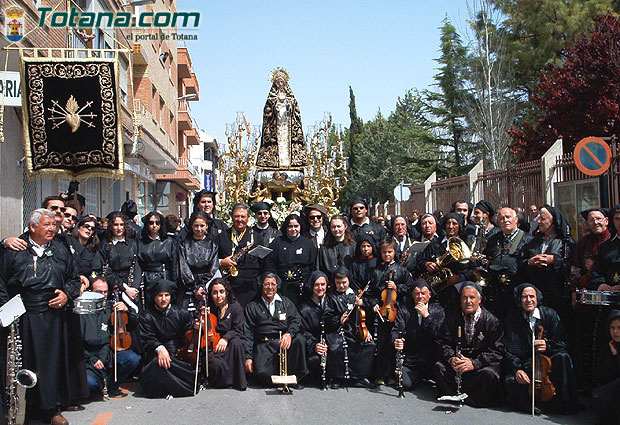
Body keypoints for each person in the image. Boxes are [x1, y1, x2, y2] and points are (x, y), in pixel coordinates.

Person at [0, 208, 81, 425]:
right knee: (21, 363)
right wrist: (5, 311)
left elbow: (74, 280)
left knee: (51, 363)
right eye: (47, 225)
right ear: (33, 226)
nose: (52, 229)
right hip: (22, 314)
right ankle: (16, 413)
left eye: (54, 225)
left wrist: (66, 294)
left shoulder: (61, 250)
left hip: (53, 315)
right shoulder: (14, 248)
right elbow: (1, 283)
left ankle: (51, 409)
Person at [503, 284, 579, 415]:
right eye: (524, 297)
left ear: (537, 298)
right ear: (519, 300)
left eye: (532, 296)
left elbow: (564, 342)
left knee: (563, 357)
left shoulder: (550, 314)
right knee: (509, 381)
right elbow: (507, 349)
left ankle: (564, 403)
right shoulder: (514, 318)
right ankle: (530, 405)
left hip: (547, 362)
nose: (528, 300)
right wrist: (517, 369)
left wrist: (548, 345)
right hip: (526, 363)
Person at [433, 282, 504, 408]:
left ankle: (472, 399)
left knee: (490, 374)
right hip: (458, 364)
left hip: (478, 366)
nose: (468, 301)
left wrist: (474, 363)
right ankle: (454, 395)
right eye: (464, 298)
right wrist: (451, 358)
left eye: (472, 297)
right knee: (439, 367)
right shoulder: (452, 317)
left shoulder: (492, 321)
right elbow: (442, 341)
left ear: (480, 299)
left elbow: (497, 352)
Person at [571, 207, 612, 390]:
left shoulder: (612, 241)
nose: (595, 222)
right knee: (586, 341)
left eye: (598, 219)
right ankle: (587, 383)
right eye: (591, 220)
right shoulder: (583, 243)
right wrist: (575, 289)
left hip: (609, 300)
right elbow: (574, 267)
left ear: (606, 221)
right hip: (587, 298)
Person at [243, 273, 308, 387]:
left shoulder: (286, 302)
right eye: (266, 284)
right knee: (261, 374)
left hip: (283, 342)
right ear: (261, 286)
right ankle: (276, 379)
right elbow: (247, 332)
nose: (270, 287)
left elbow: (296, 320)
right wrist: (248, 357)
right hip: (264, 344)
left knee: (300, 339)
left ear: (277, 286)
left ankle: (293, 378)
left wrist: (289, 334)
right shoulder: (252, 306)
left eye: (273, 284)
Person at [81, 276, 140, 399]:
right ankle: (98, 386)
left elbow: (133, 324)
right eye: (98, 292)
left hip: (108, 352)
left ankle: (113, 386)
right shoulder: (82, 311)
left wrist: (127, 311)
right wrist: (92, 359)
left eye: (105, 292)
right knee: (89, 383)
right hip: (89, 357)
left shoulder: (111, 308)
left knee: (132, 359)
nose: (103, 295)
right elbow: (77, 342)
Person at [138, 279, 199, 398]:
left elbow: (189, 332)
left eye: (167, 295)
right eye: (160, 295)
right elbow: (147, 338)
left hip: (179, 352)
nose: (163, 299)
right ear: (155, 297)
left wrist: (196, 327)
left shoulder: (181, 312)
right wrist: (159, 348)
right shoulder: (146, 316)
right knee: (157, 365)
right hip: (155, 353)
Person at [518, 205, 575, 324]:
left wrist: (554, 260)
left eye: (543, 219)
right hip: (537, 292)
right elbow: (521, 262)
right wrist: (530, 262)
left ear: (553, 221)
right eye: (539, 218)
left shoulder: (565, 242)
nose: (539, 222)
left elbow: (572, 265)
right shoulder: (533, 241)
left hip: (557, 293)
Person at [367, 238, 413, 384]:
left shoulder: (402, 270)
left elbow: (410, 288)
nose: (387, 255)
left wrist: (397, 288)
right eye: (384, 252)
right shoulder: (376, 271)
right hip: (381, 311)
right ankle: (380, 374)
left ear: (394, 252)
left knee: (393, 342)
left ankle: (393, 375)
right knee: (381, 342)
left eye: (390, 252)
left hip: (397, 309)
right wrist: (373, 303)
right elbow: (371, 292)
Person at [324, 267, 376, 389]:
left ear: (349, 281)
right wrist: (338, 320)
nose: (341, 285)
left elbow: (367, 312)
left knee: (369, 344)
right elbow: (327, 315)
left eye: (344, 282)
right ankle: (337, 377)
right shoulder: (331, 297)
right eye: (338, 283)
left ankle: (360, 377)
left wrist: (366, 328)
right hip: (338, 330)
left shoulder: (356, 295)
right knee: (337, 346)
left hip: (355, 329)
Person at [392, 279, 445, 391]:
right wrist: (397, 340)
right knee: (404, 384)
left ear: (429, 295)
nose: (420, 297)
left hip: (431, 356)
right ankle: (419, 376)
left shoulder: (439, 310)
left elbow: (438, 334)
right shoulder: (405, 310)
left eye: (423, 293)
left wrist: (427, 316)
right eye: (417, 293)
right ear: (412, 295)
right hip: (412, 357)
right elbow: (397, 329)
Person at [482, 207, 533, 319]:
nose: (505, 220)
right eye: (501, 218)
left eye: (508, 217)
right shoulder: (493, 240)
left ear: (516, 219)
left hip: (516, 290)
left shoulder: (528, 240)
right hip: (496, 292)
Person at [418, 212, 475, 312]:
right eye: (448, 223)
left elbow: (473, 270)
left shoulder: (466, 244)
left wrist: (460, 278)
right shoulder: (435, 243)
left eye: (454, 223)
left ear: (459, 226)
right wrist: (426, 264)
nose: (451, 226)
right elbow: (420, 261)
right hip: (437, 292)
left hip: (458, 291)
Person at [204, 278, 247, 390]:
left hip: (230, 341)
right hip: (214, 343)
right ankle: (221, 381)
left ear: (227, 292)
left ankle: (238, 381)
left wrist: (226, 338)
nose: (219, 296)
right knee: (214, 362)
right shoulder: (209, 307)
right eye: (215, 292)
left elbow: (238, 328)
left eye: (221, 292)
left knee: (237, 343)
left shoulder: (235, 307)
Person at [265, 214, 317, 305]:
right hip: (282, 286)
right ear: (286, 227)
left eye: (296, 226)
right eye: (290, 226)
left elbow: (313, 265)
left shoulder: (308, 243)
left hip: (302, 286)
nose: (293, 229)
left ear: (300, 226)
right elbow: (270, 263)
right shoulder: (277, 242)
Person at [216, 204, 261, 307]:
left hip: (251, 288)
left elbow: (263, 262)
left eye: (243, 216)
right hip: (230, 285)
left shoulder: (256, 237)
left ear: (248, 218)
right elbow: (212, 258)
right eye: (237, 216)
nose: (240, 219)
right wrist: (221, 262)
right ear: (231, 216)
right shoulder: (222, 236)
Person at [95, 212, 141, 308]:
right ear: (111, 226)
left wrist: (134, 288)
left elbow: (137, 266)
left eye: (121, 224)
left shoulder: (133, 243)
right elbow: (105, 270)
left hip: (132, 287)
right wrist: (125, 288)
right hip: (114, 287)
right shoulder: (105, 244)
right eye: (116, 225)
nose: (119, 228)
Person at [178, 211, 220, 311]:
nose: (199, 229)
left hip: (207, 283)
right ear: (192, 226)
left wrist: (202, 286)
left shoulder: (212, 244)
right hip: (189, 284)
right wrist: (194, 288)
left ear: (207, 226)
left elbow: (213, 267)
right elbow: (184, 267)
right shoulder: (184, 244)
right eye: (196, 226)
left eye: (202, 225)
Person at [137, 212, 179, 304]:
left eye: (157, 223)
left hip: (163, 275)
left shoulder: (169, 241)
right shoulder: (140, 242)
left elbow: (174, 265)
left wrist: (174, 283)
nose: (154, 226)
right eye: (151, 223)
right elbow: (138, 263)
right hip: (147, 278)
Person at [298, 271, 329, 386]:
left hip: (330, 342)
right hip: (313, 345)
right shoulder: (303, 307)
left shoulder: (332, 302)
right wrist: (314, 344)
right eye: (316, 285)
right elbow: (303, 331)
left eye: (323, 284)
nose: (320, 288)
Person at [591, 309, 620, 425]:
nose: (615, 332)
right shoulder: (608, 347)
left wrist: (617, 356)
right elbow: (602, 375)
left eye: (619, 328)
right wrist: (612, 356)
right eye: (612, 328)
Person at [318, 215, 356, 282]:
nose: (336, 229)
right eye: (333, 227)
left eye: (339, 226)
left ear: (345, 227)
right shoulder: (324, 248)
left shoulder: (353, 246)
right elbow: (320, 268)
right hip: (330, 284)